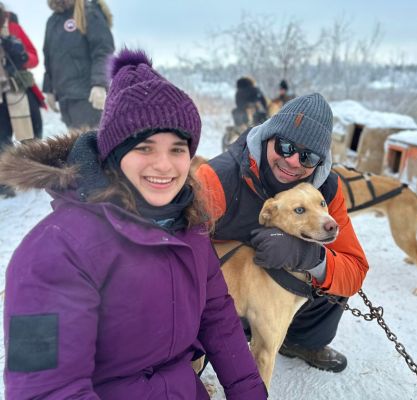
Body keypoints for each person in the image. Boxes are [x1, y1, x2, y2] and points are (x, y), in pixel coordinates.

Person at [0, 48, 267, 399]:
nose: (164, 165)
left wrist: (249, 392)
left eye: (177, 149)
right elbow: (46, 390)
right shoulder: (53, 250)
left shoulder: (189, 225)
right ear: (114, 154)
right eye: (144, 147)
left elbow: (217, 316)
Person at [196, 93, 369, 373]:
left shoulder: (327, 190)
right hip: (221, 292)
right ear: (268, 137)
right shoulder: (219, 178)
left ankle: (301, 340)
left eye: (308, 156)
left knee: (333, 278)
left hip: (281, 291)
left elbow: (355, 269)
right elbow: (174, 250)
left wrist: (309, 256)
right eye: (285, 146)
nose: (292, 161)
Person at [43, 0, 114, 129]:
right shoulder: (52, 21)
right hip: (65, 98)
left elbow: (103, 50)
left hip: (88, 96)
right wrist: (49, 90)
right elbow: (48, 58)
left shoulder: (89, 12)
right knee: (76, 145)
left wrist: (100, 84)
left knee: (92, 145)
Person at [0, 3, 45, 198]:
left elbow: (34, 58)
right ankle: (4, 182)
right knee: (1, 140)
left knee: (32, 133)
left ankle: (37, 173)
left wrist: (21, 55)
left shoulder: (13, 26)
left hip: (20, 89)